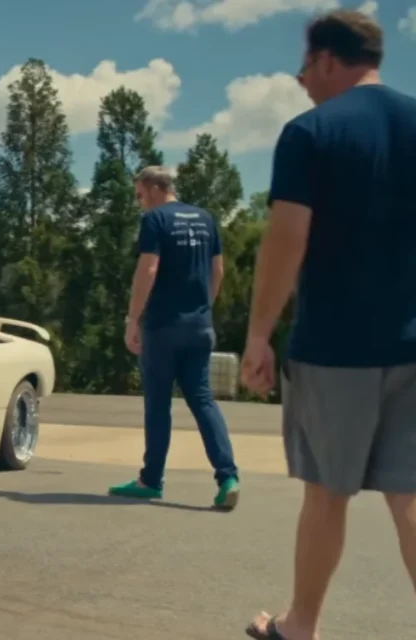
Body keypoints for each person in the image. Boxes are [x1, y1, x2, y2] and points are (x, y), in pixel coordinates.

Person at [240, 10, 416, 640]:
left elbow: (287, 239)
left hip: (335, 347)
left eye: (303, 67)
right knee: (411, 498)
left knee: (326, 494)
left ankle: (300, 626)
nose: (300, 80)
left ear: (325, 60)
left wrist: (259, 333)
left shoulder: (309, 132)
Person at [109, 166, 240, 510]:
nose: (139, 203)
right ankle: (227, 477)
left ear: (154, 188)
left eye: (139, 195)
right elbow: (218, 271)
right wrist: (202, 310)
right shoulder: (206, 218)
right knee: (202, 399)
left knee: (158, 403)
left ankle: (151, 480)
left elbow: (148, 269)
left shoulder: (155, 220)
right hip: (199, 326)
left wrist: (133, 318)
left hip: (162, 326)